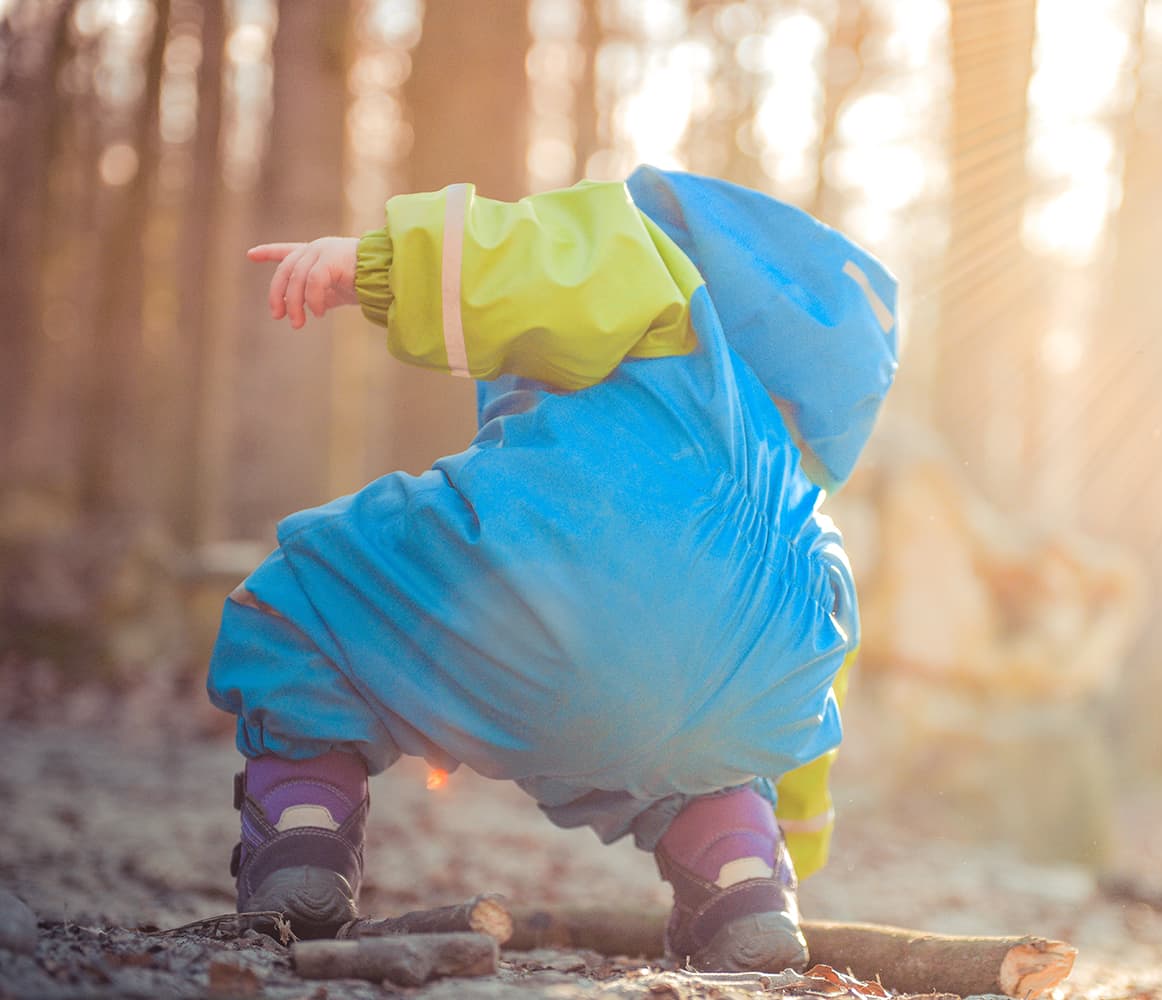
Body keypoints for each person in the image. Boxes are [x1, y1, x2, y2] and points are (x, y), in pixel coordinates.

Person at [207, 165, 898, 972]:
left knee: (308, 600)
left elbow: (541, 260)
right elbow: (813, 703)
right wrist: (797, 842)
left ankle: (303, 835)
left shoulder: (665, 291)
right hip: (725, 709)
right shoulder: (808, 525)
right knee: (710, 759)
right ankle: (743, 879)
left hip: (550, 598)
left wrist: (372, 266)